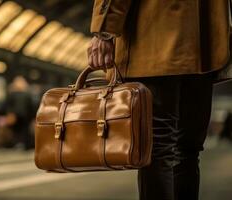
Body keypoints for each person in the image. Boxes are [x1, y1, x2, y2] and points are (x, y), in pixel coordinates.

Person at [88, 1, 231, 200]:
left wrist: (103, 31)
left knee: (157, 149)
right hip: (204, 43)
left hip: (154, 39)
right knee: (188, 150)